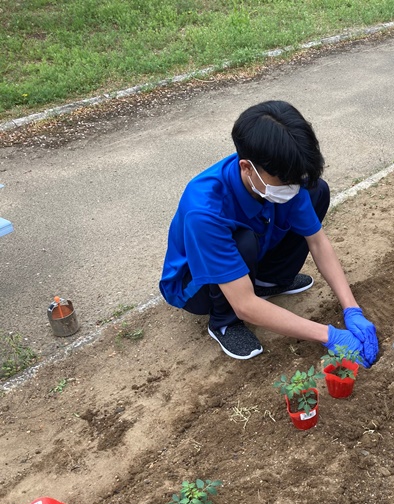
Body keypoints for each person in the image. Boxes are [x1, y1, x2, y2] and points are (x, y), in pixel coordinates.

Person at [160, 100, 379, 363]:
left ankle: (268, 282)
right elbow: (246, 305)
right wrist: (329, 335)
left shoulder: (281, 173)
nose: (292, 187)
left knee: (315, 191)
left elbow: (317, 242)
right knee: (243, 241)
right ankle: (223, 322)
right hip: (195, 286)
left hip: (252, 245)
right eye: (285, 182)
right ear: (246, 168)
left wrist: (351, 309)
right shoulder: (205, 210)